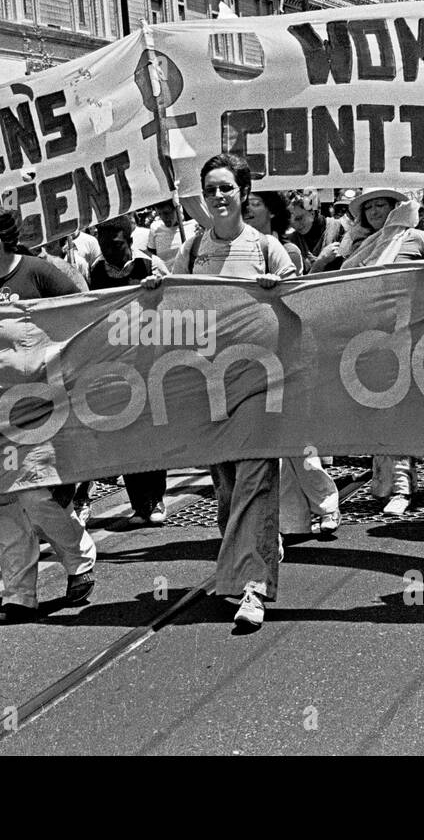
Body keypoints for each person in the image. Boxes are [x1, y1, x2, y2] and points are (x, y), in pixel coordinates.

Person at [149, 152, 297, 631]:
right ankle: (251, 556)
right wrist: (155, 286)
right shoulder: (194, 249)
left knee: (255, 480)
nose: (217, 196)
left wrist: (281, 290)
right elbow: (174, 301)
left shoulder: (267, 247)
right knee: (227, 488)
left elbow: (305, 308)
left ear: (243, 194)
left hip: (259, 385)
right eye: (210, 188)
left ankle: (253, 586)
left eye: (226, 188)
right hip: (210, 387)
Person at [0, 205, 97, 624]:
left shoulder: (41, 274)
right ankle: (19, 595)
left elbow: (84, 321)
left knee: (33, 492)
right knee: (0, 506)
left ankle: (79, 557)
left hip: (41, 408)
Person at [340, 190, 424, 511]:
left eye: (382, 205)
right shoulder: (356, 246)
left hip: (420, 334)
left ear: (396, 209)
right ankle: (401, 488)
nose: (376, 211)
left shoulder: (416, 238)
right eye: (370, 207)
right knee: (393, 414)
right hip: (376, 341)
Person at [86, 215, 172, 523]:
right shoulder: (95, 271)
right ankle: (140, 504)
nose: (109, 248)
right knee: (124, 432)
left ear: (129, 238)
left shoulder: (151, 266)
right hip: (114, 363)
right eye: (103, 241)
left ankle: (157, 499)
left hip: (148, 360)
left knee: (150, 432)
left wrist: (156, 291)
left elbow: (174, 302)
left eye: (116, 241)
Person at [244, 190, 304, 272]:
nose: (247, 209)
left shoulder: (289, 252)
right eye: (244, 204)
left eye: (255, 204)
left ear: (272, 211)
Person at [285, 189, 344, 267]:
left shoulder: (338, 228)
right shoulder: (293, 241)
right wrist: (321, 260)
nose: (295, 225)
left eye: (299, 218)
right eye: (290, 221)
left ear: (312, 212)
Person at [146, 199, 196, 265]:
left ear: (178, 209)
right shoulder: (155, 228)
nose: (163, 217)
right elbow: (152, 255)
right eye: (160, 214)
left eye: (166, 213)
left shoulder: (194, 226)